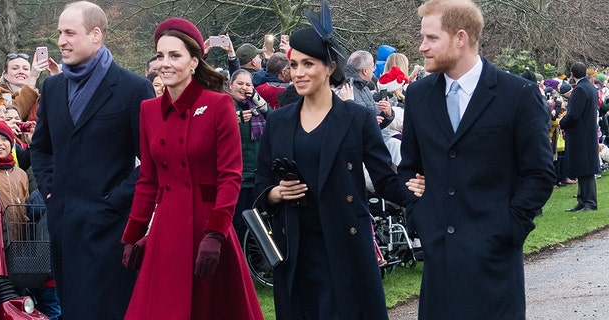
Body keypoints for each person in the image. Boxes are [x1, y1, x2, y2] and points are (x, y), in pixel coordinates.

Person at [252, 25, 425, 319]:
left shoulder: (356, 118)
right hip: (296, 249)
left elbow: (383, 180)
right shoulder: (278, 121)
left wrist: (415, 189)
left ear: (330, 67)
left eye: (308, 64)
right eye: (294, 65)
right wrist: (275, 193)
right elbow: (260, 187)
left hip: (345, 245)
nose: (299, 73)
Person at [397, 0, 556, 318]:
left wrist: (509, 227)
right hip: (438, 265)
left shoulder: (518, 95)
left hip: (495, 267)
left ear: (460, 37)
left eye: (431, 38)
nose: (421, 46)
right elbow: (409, 168)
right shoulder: (417, 96)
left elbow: (539, 173)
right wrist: (420, 218)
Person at [120, 17, 264, 320]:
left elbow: (230, 176)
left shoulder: (218, 105)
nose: (165, 63)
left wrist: (215, 234)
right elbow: (148, 180)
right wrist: (133, 234)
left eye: (175, 55)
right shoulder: (148, 111)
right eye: (160, 56)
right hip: (166, 230)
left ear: (195, 61)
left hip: (208, 229)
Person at [29, 1, 155, 319]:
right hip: (64, 227)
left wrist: (112, 202)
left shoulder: (133, 89)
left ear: (96, 34)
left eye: (70, 32)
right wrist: (50, 190)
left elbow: (151, 164)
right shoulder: (53, 87)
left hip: (111, 231)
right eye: (59, 32)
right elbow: (40, 148)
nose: (61, 41)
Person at [229, 69, 269, 243]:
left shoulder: (257, 107)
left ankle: (255, 264)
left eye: (248, 84)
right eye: (240, 83)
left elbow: (272, 116)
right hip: (237, 178)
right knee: (238, 223)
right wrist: (233, 120)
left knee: (256, 224)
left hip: (256, 176)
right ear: (230, 86)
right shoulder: (226, 107)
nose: (244, 88)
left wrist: (254, 96)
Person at [560, 61, 600, 212]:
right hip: (587, 132)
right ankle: (582, 200)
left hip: (581, 134)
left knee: (585, 168)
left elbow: (574, 115)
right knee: (583, 168)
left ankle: (589, 201)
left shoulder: (580, 89)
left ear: (572, 74)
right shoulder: (590, 87)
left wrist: (562, 123)